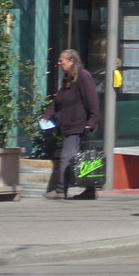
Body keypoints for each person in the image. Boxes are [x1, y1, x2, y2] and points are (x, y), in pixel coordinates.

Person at [42, 49, 100, 200]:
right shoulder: (68, 78)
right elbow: (58, 101)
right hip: (68, 125)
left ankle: (61, 190)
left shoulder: (83, 76)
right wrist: (46, 117)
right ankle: (90, 190)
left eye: (62, 61)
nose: (60, 63)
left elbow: (92, 100)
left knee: (67, 157)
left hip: (78, 125)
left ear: (72, 61)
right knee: (79, 158)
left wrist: (92, 121)